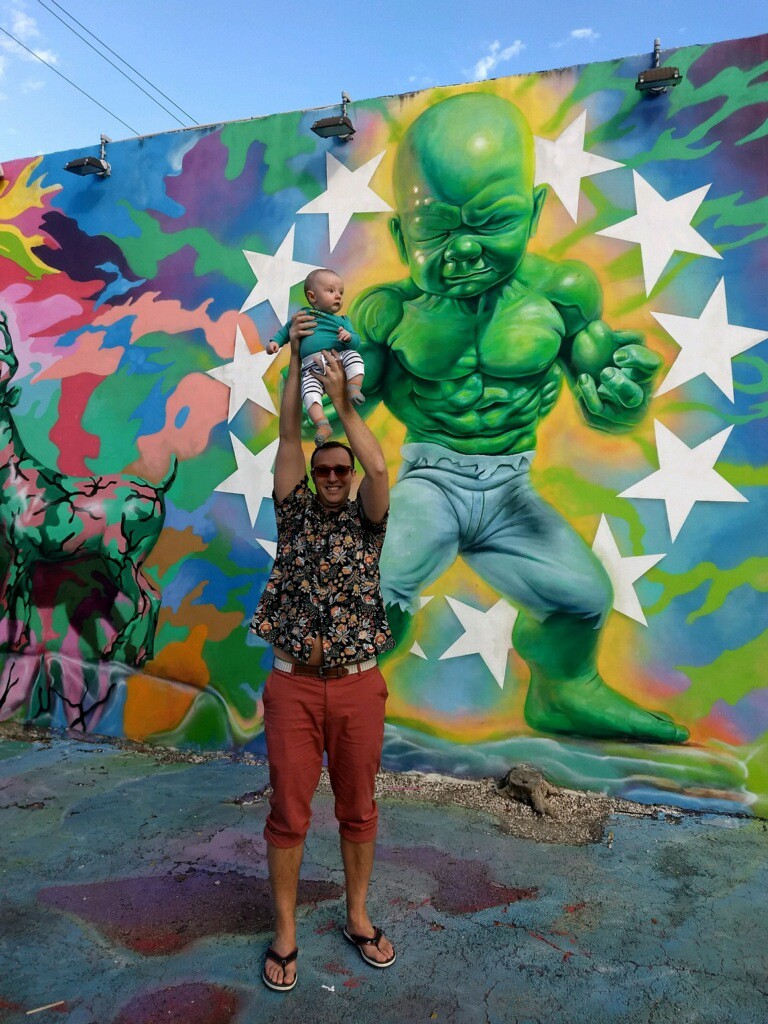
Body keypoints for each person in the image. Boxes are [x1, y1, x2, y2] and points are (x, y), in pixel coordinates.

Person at [346, 92, 689, 744]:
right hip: (430, 482)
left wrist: (620, 398)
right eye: (435, 229)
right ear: (400, 236)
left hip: (510, 491)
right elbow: (342, 410)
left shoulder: (563, 293)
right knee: (376, 582)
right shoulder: (389, 312)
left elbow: (604, 392)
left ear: (532, 212)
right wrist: (320, 385)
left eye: (494, 220)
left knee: (583, 598)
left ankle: (564, 692)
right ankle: (341, 695)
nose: (464, 249)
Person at [251, 311, 396, 992]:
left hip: (358, 685)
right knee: (288, 811)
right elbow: (288, 435)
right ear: (313, 477)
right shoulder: (295, 513)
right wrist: (294, 360)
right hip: (294, 686)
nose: (335, 475)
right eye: (325, 469)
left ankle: (357, 916)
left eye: (342, 468)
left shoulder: (369, 523)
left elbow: (379, 464)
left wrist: (342, 404)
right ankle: (285, 933)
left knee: (358, 808)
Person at [267, 269, 365, 446]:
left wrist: (348, 337)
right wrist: (275, 342)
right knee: (309, 393)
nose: (338, 296)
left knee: (354, 357)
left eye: (341, 292)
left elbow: (356, 342)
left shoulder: (343, 320)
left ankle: (353, 387)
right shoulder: (303, 316)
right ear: (312, 297)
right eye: (331, 291)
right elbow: (286, 331)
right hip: (311, 367)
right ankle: (322, 425)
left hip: (338, 358)